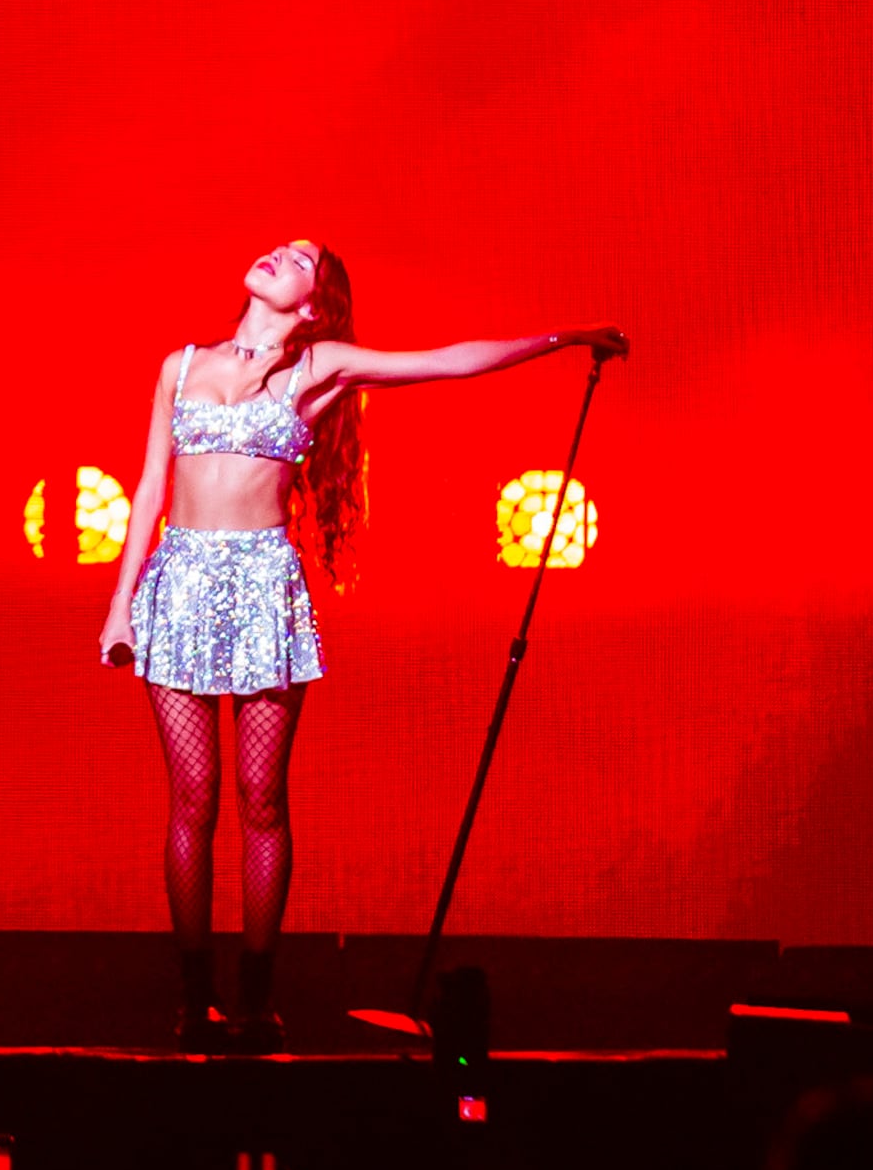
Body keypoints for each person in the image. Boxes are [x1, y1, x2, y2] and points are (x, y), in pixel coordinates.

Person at [97, 241, 622, 1051]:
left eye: (302, 258)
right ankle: (192, 996)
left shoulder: (320, 366)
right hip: (181, 583)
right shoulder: (182, 363)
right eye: (281, 244)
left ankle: (254, 999)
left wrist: (565, 336)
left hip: (264, 584)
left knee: (261, 800)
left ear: (314, 303)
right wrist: (120, 606)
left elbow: (447, 363)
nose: (280, 252)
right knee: (191, 799)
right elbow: (147, 490)